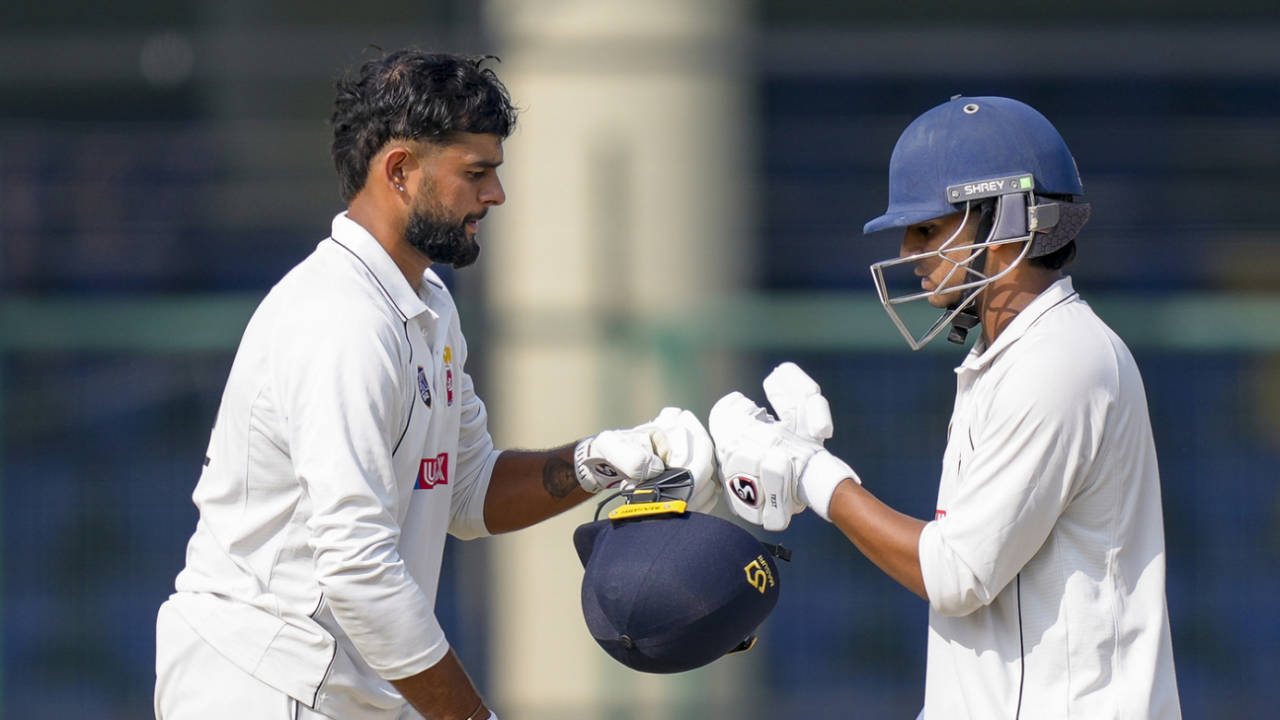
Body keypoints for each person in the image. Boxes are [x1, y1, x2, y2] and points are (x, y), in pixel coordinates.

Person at [153, 49, 717, 720]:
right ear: (399, 170)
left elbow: (468, 494)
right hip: (264, 682)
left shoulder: (428, 304)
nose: (496, 195)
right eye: (475, 173)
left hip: (330, 687)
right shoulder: (341, 320)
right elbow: (357, 570)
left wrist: (601, 460)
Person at [708, 96, 1181, 718]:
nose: (910, 251)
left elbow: (956, 575)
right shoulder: (1015, 356)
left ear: (1006, 220)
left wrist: (812, 474)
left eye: (929, 229)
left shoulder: (1059, 360)